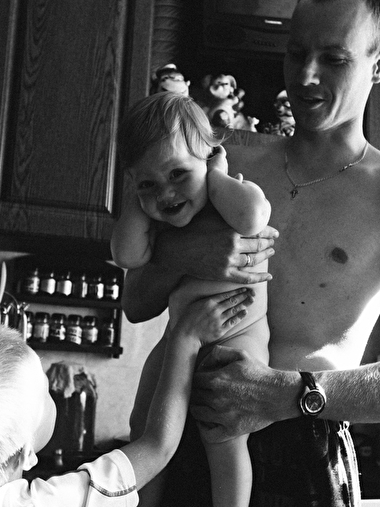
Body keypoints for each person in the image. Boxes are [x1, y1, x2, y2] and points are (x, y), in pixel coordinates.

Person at [120, 0, 380, 506]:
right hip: (188, 433)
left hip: (306, 444)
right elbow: (137, 303)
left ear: (379, 65)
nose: (305, 75)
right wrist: (184, 254)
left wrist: (286, 393)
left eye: (334, 59)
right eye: (297, 53)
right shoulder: (224, 165)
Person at [0, 291, 253, 507]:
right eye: (45, 390)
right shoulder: (52, 502)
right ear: (25, 454)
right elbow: (157, 446)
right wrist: (185, 337)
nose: (53, 392)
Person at [111, 91, 271, 507]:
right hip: (180, 337)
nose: (165, 194)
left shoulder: (226, 198)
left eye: (178, 174)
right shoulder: (161, 221)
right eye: (148, 183)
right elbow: (126, 255)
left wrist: (216, 176)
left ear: (210, 156)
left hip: (238, 337)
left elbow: (255, 216)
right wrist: (136, 196)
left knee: (225, 436)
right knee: (142, 422)